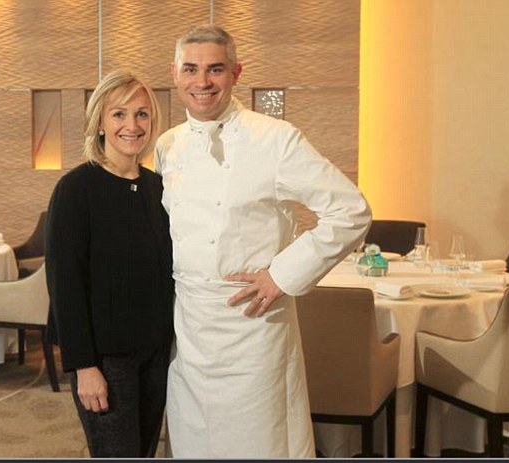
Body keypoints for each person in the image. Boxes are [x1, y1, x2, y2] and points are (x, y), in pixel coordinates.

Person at [154, 25, 372, 458]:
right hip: (191, 327)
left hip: (254, 327)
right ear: (175, 74)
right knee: (194, 442)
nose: (202, 82)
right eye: (191, 69)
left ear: (237, 73)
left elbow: (351, 211)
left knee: (259, 442)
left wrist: (281, 275)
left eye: (216, 69)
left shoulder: (276, 139)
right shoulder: (167, 145)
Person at [45, 69, 174, 458]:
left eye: (141, 114)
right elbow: (65, 285)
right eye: (119, 114)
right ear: (99, 122)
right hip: (105, 360)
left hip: (156, 354)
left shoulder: (158, 188)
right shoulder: (76, 189)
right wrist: (84, 367)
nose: (132, 125)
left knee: (145, 452)